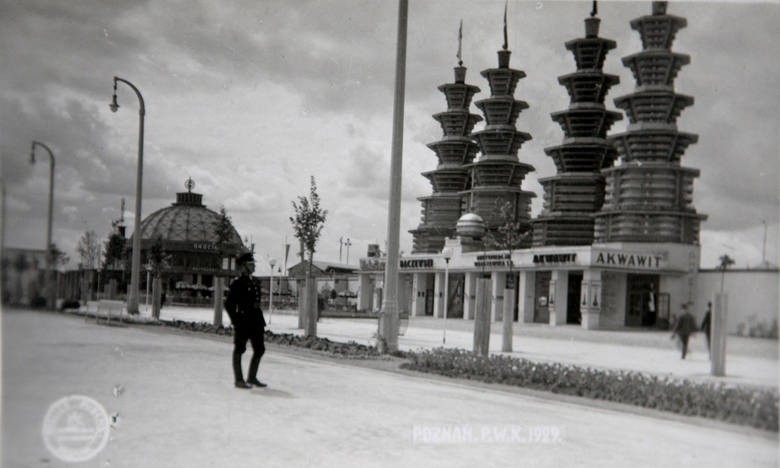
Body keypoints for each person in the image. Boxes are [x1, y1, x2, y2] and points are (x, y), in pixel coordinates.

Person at [224, 252, 267, 389]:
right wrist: (235, 320)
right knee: (239, 349)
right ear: (244, 266)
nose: (254, 266)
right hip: (243, 321)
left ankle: (252, 377)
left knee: (260, 349)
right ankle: (239, 379)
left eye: (253, 264)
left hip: (256, 321)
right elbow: (229, 304)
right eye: (251, 264)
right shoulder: (237, 283)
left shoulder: (255, 282)